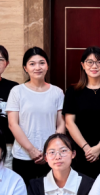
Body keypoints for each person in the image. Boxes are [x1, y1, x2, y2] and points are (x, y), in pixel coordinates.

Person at [64, 46, 100, 179]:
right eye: (89, 62)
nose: (94, 66)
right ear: (83, 65)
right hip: (80, 152)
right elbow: (69, 123)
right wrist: (87, 148)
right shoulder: (73, 92)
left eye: (99, 62)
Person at [6, 47, 65, 184]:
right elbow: (13, 124)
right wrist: (31, 150)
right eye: (32, 64)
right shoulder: (17, 91)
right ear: (25, 68)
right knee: (24, 194)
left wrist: (51, 150)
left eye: (42, 63)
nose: (37, 67)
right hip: (23, 155)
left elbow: (61, 124)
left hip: (51, 156)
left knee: (49, 193)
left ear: (47, 66)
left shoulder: (57, 92)